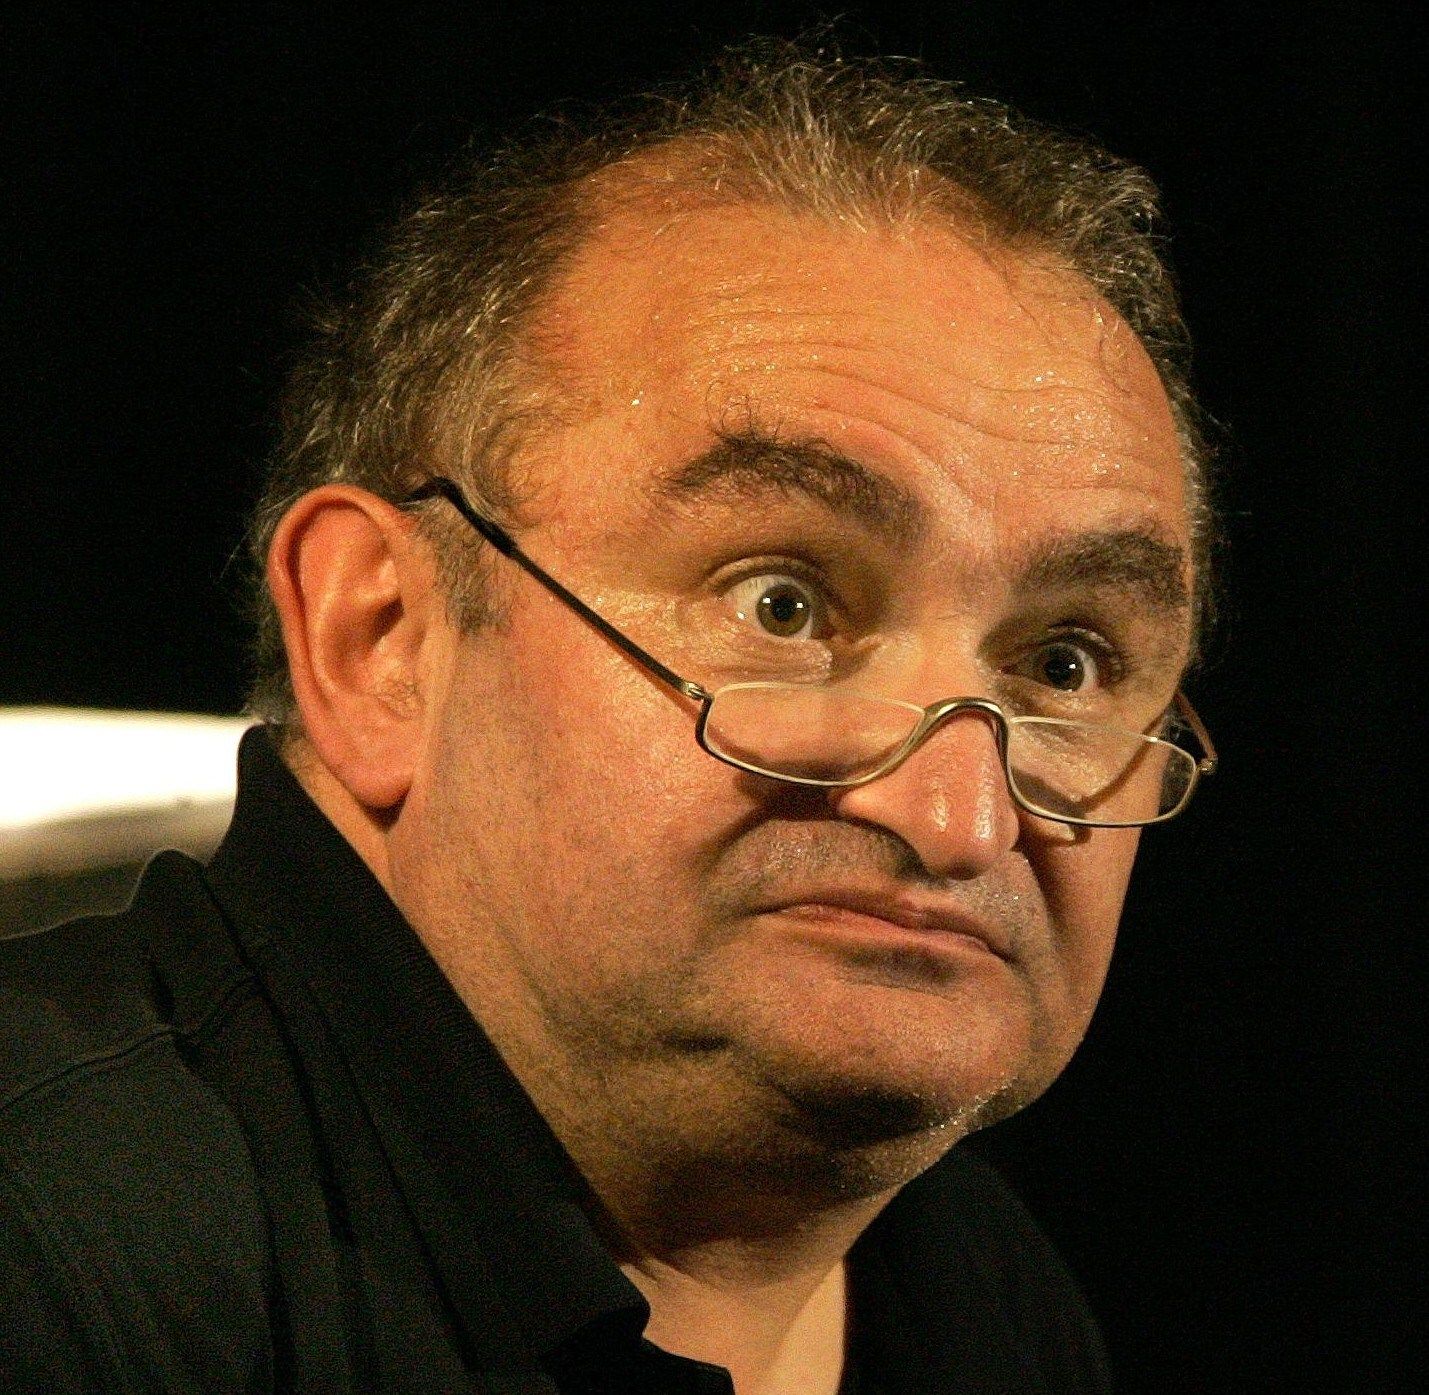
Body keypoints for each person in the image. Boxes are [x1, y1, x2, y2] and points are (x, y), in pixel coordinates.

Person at [0, 40, 1218, 1394]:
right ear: (379, 640)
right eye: (781, 607)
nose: (957, 819)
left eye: (1065, 666)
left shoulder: (983, 1300)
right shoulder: (53, 1259)